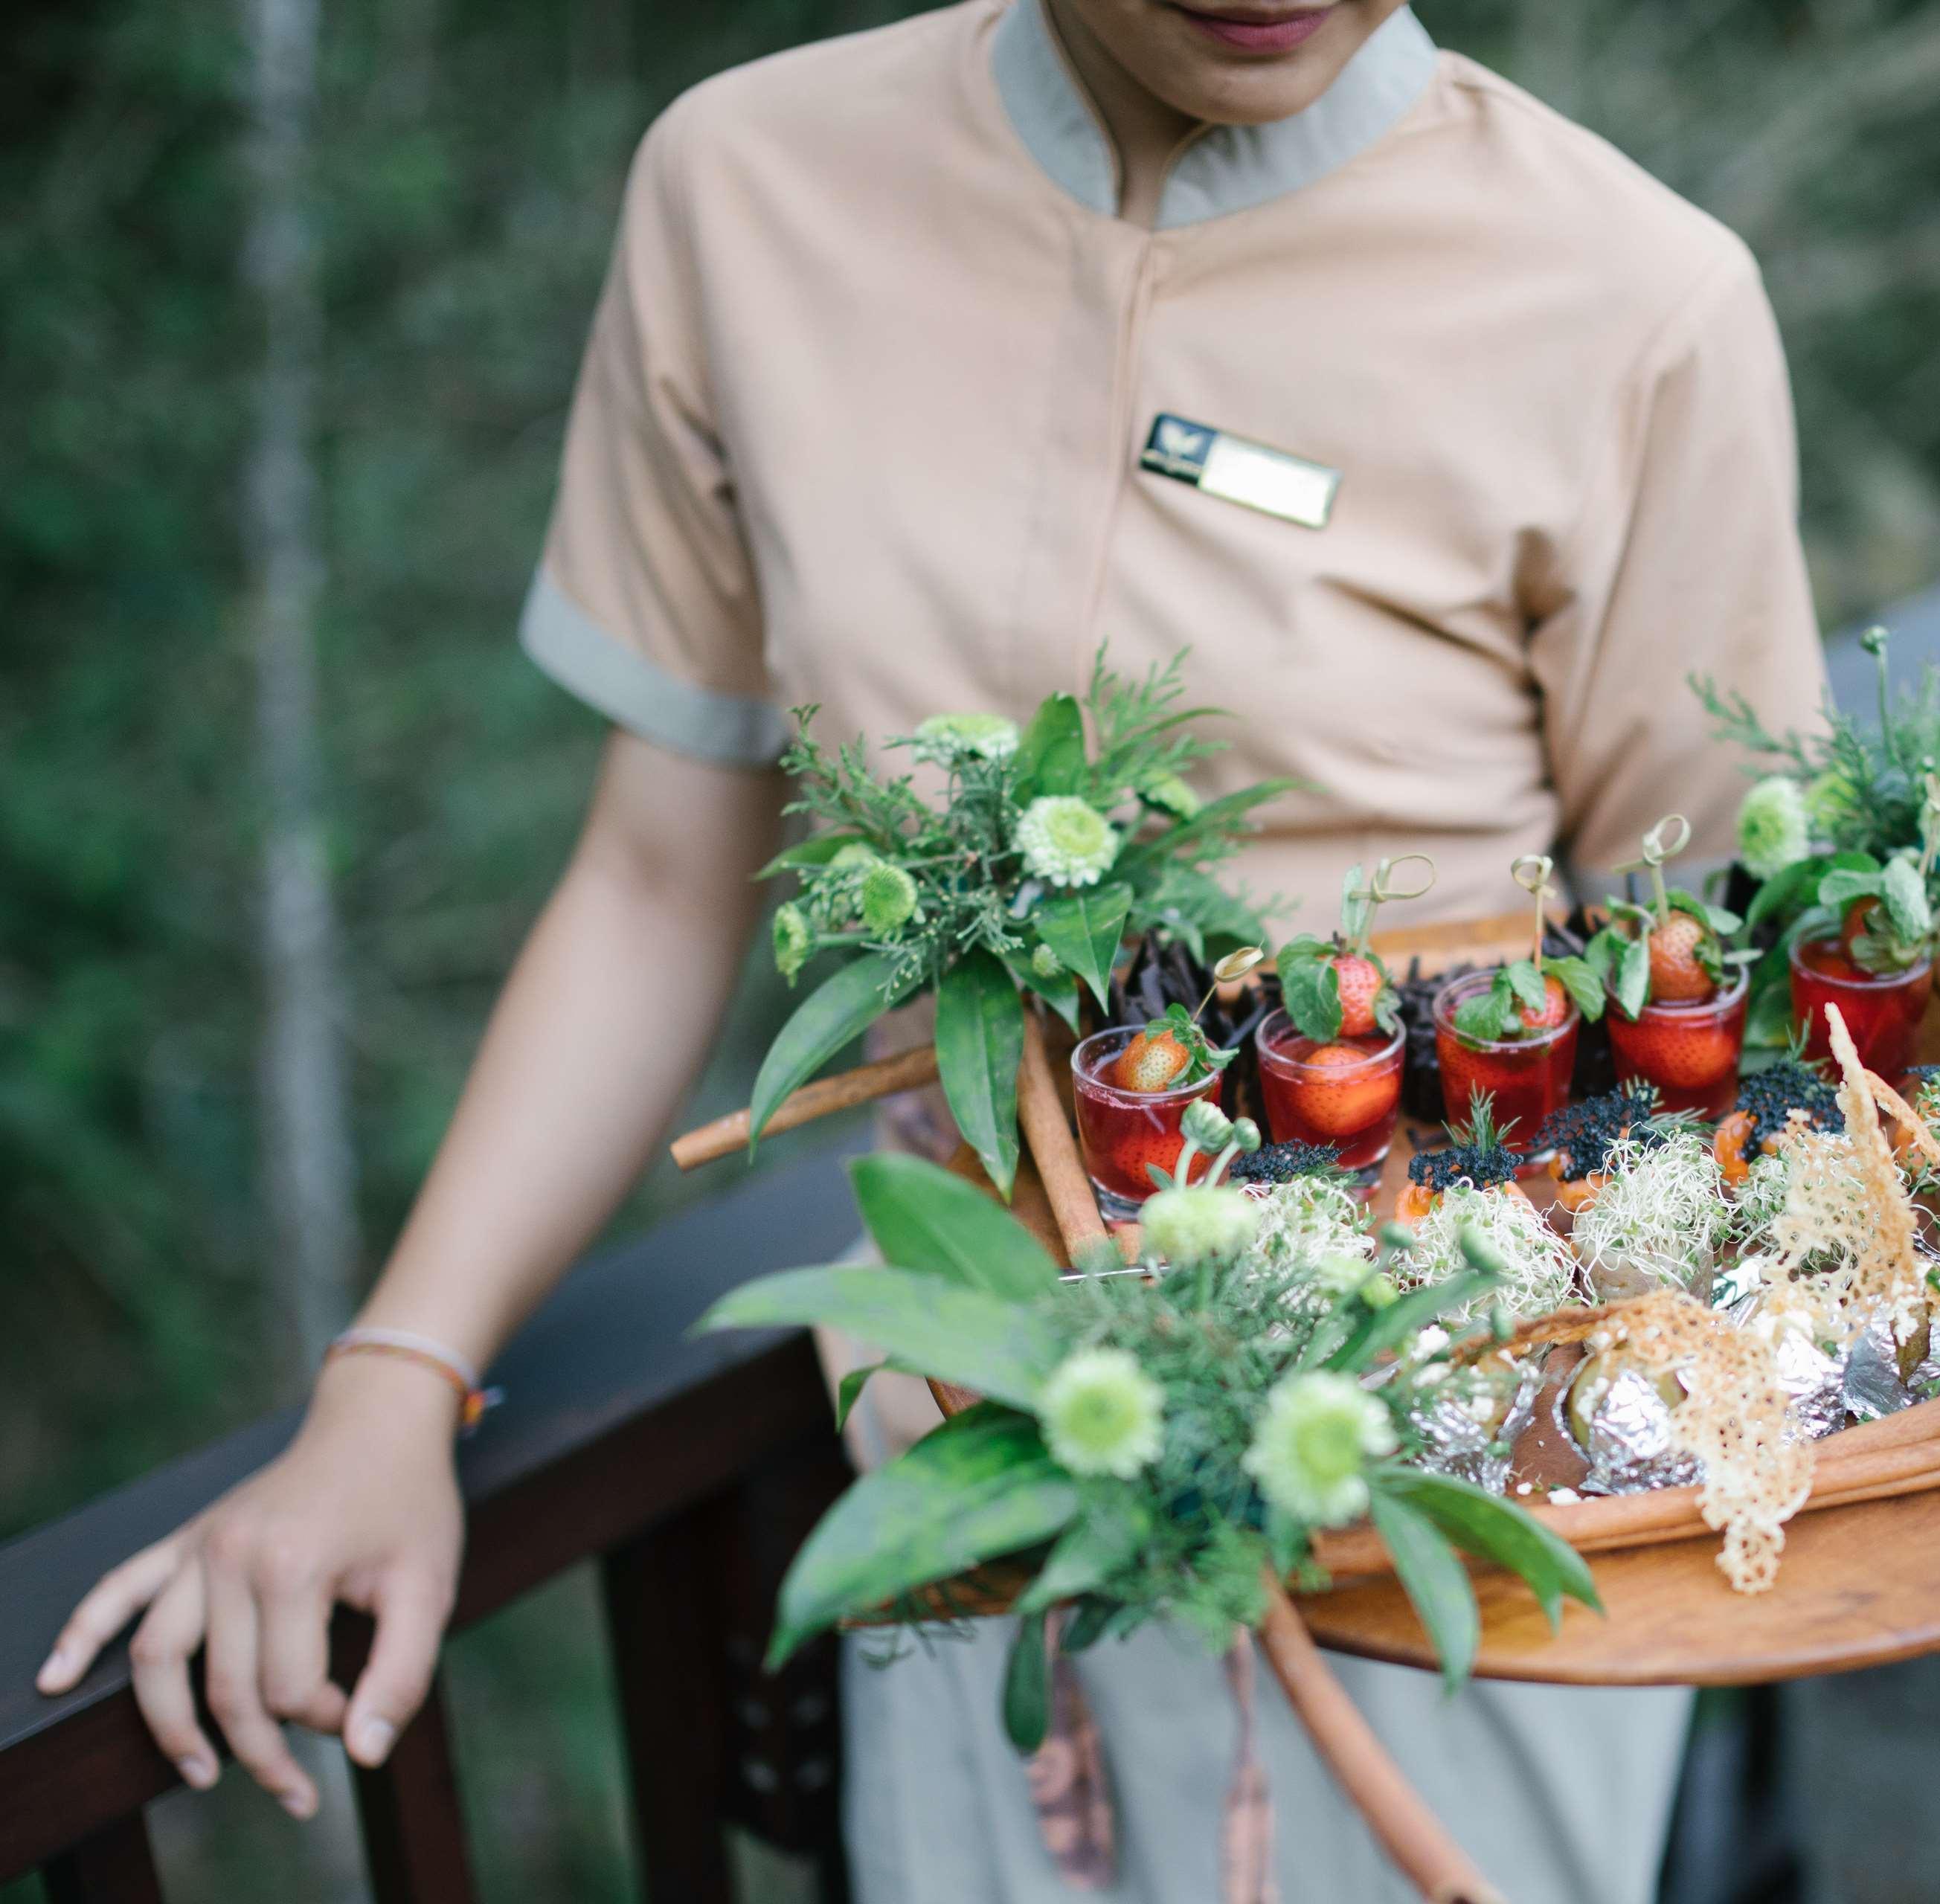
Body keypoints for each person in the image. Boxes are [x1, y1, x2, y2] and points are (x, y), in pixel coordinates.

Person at [39, 3, 1827, 1897]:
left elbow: (1702, 992)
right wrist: (393, 1384)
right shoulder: (746, 189)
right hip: (964, 1445)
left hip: (1454, 1486)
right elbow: (656, 878)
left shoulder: (1637, 298)